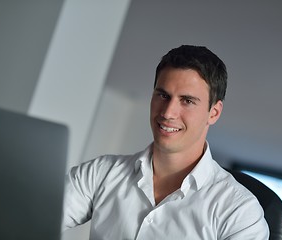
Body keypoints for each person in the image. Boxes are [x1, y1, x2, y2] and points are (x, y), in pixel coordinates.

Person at [62, 45, 269, 239]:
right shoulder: (101, 173)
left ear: (213, 113)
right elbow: (34, 215)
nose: (168, 112)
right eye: (163, 95)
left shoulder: (239, 212)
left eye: (187, 101)